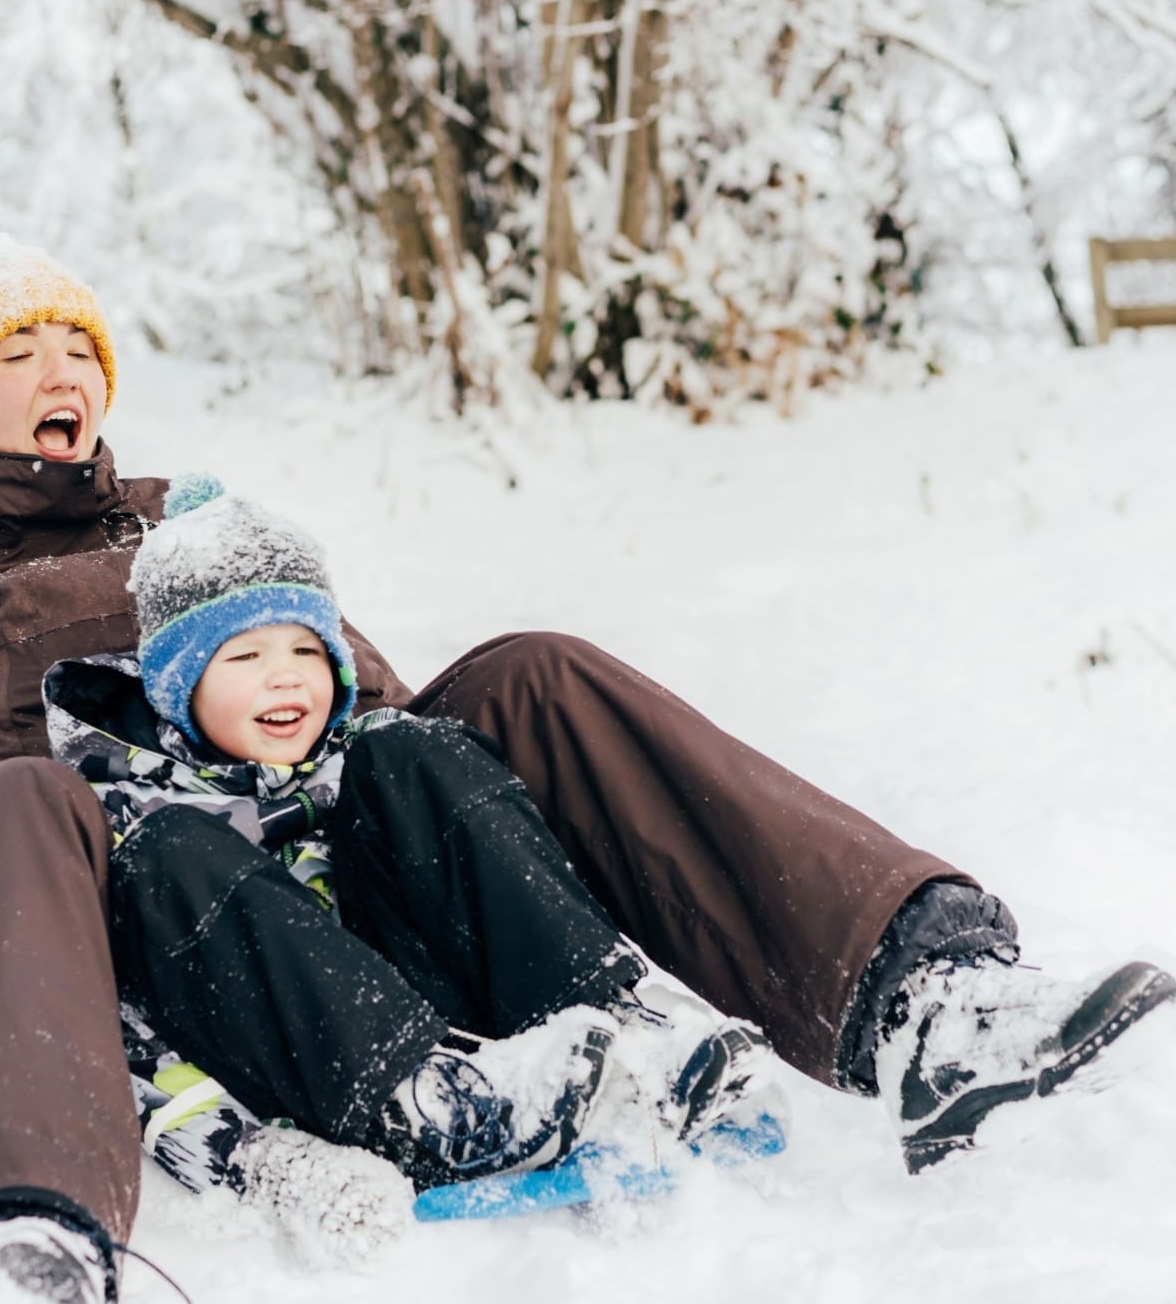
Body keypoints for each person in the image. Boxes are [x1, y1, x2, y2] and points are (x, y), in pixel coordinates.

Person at [0, 235, 1176, 1303]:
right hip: (105, 929)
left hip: (320, 904)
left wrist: (402, 778)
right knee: (19, 796)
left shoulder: (188, 531)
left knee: (524, 674)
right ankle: (24, 1226)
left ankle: (919, 1000)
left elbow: (364, 702)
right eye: (18, 355)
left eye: (80, 352)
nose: (59, 376)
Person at [45, 472, 772, 1217]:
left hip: (467, 1038)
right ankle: (415, 1105)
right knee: (170, 855)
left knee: (413, 750)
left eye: (306, 651)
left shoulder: (359, 761)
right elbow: (115, 1030)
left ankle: (617, 1025)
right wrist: (250, 1161)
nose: (285, 678)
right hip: (313, 1077)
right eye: (243, 658)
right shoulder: (128, 821)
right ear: (178, 686)